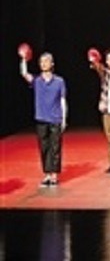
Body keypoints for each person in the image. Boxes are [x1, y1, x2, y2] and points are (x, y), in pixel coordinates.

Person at [18, 44, 67, 187]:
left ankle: (54, 175)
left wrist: (64, 118)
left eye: (46, 61)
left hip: (55, 118)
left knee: (55, 147)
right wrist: (24, 59)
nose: (43, 64)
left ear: (52, 64)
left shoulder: (59, 81)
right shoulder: (37, 81)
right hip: (41, 118)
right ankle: (47, 174)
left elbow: (63, 100)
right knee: (44, 147)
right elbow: (24, 73)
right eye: (41, 62)